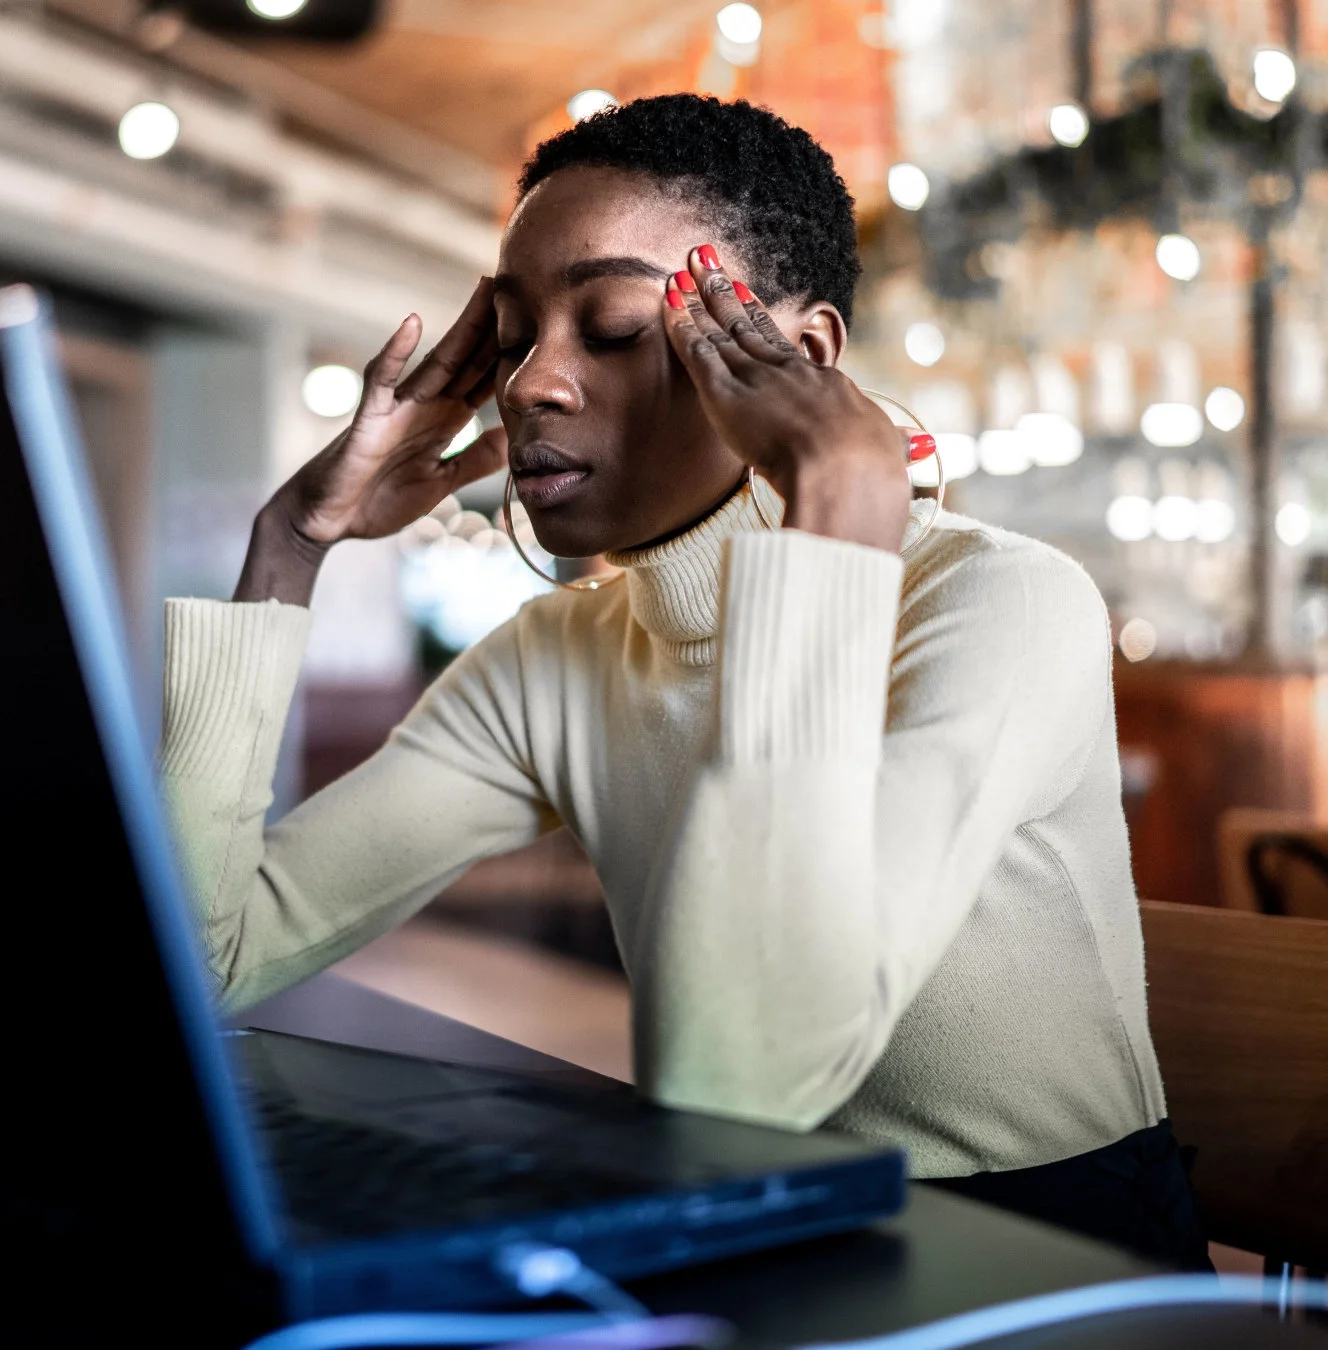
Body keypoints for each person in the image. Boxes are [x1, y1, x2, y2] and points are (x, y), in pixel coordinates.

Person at [158, 94, 1207, 1269]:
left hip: (1050, 1252)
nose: (530, 384)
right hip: (737, 1212)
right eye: (511, 337)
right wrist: (291, 543)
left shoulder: (1001, 605)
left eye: (609, 326)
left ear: (800, 360)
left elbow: (743, 1080)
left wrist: (836, 519)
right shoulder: (559, 657)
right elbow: (201, 958)